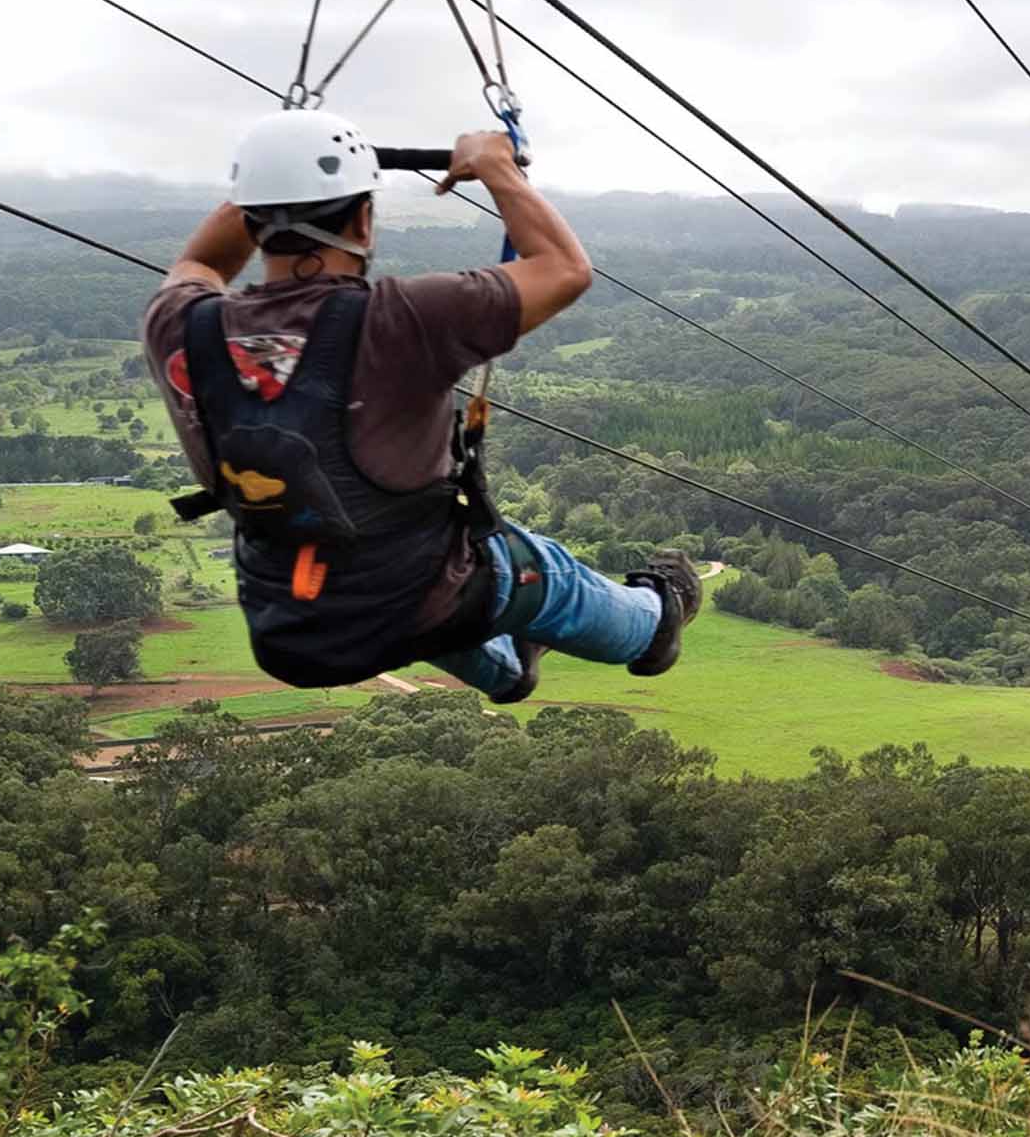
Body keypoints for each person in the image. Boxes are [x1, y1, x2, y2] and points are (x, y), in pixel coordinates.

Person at [140, 109, 699, 701]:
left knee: (413, 584)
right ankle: (654, 624)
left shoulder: (180, 326)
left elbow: (201, 263)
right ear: (363, 217)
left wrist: (269, 177)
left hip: (290, 629)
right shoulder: (401, 318)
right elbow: (564, 270)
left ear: (250, 219)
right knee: (542, 574)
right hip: (421, 597)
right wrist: (496, 168)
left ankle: (509, 668)